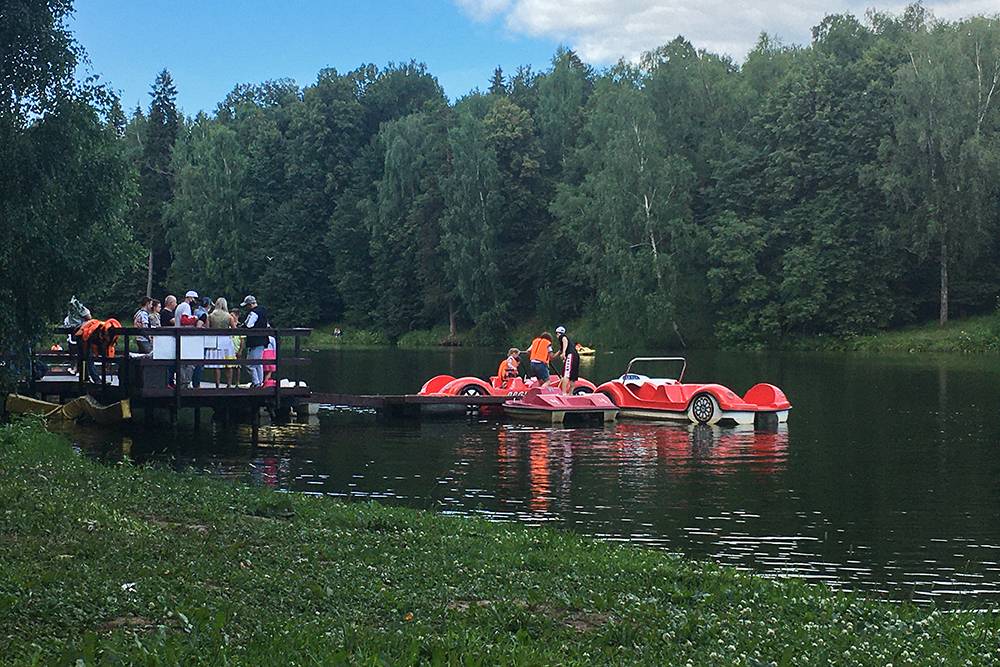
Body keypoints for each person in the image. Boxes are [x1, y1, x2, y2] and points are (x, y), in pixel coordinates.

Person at [239, 295, 269, 387]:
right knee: (258, 363)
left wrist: (240, 327)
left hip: (255, 341)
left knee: (250, 365)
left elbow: (249, 325)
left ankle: (256, 383)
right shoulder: (263, 311)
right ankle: (260, 382)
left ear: (250, 304)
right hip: (263, 340)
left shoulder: (254, 313)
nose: (246, 308)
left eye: (247, 306)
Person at [207, 297, 237, 387]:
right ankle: (228, 384)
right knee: (228, 364)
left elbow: (207, 329)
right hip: (226, 340)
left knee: (217, 364)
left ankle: (217, 384)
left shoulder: (211, 316)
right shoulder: (229, 316)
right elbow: (234, 329)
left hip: (215, 340)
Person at [553, 325, 579, 395]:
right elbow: (559, 351)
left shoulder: (562, 337)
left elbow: (564, 340)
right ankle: (570, 394)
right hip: (576, 356)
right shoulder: (566, 342)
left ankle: (563, 393)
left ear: (558, 333)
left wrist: (564, 352)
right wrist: (553, 357)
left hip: (570, 355)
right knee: (573, 376)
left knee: (566, 374)